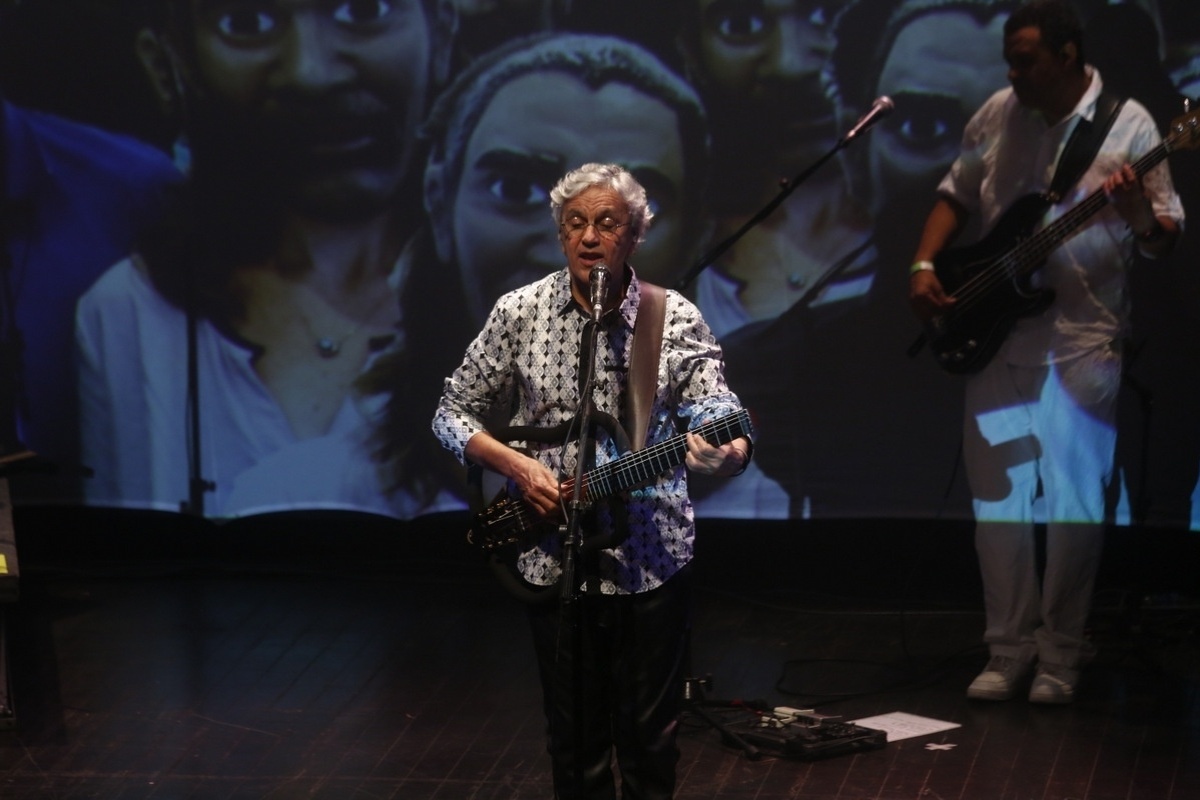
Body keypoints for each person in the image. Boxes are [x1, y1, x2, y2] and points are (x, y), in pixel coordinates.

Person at [432, 162, 752, 798]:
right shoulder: (519, 313)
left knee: (650, 739)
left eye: (607, 223)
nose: (588, 237)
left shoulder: (672, 316)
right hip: (555, 559)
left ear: (634, 235)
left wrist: (730, 450)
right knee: (573, 743)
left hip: (650, 558)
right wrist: (517, 465)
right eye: (574, 223)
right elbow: (450, 412)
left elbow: (719, 410)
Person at [74, 0, 455, 515]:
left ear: (442, 31)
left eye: (365, 10)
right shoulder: (129, 317)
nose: (311, 73)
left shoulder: (515, 314)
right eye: (247, 22)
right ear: (168, 63)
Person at [908, 0, 1184, 704]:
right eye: (1010, 55)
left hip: (1083, 339)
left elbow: (1161, 238)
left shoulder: (1133, 125)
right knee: (997, 500)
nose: (1013, 70)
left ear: (1068, 55)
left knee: (1071, 506)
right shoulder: (998, 111)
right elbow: (956, 191)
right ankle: (1007, 648)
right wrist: (923, 265)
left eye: (1026, 57)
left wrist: (1136, 214)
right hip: (999, 332)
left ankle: (1061, 655)